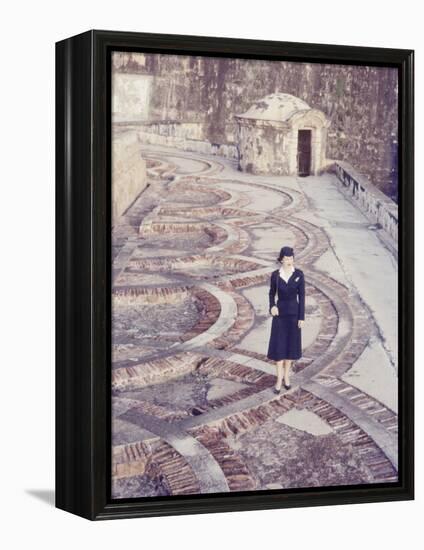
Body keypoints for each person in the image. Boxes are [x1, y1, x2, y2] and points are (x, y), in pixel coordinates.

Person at [267, 246, 305, 393]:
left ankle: (287, 377)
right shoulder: (276, 275)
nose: (289, 261)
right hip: (280, 316)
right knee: (279, 349)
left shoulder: (299, 275)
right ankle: (278, 379)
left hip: (294, 316)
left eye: (291, 258)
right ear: (281, 259)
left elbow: (302, 297)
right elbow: (271, 294)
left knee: (290, 348)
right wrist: (272, 306)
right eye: (287, 258)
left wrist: (301, 317)